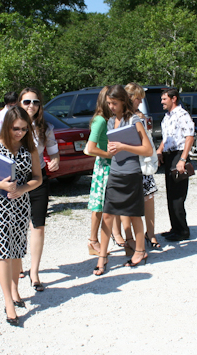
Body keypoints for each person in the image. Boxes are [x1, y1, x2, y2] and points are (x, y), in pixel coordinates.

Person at [0, 106, 42, 326]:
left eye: (24, 129)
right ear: (6, 126)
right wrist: (1, 184)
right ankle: (9, 302)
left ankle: (14, 290)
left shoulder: (29, 149)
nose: (20, 133)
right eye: (16, 128)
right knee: (3, 252)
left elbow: (37, 179)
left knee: (16, 251)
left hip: (21, 205)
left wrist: (22, 189)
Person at [94, 84, 154, 276]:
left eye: (114, 103)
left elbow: (148, 150)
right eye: (109, 103)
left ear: (122, 102)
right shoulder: (111, 121)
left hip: (132, 173)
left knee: (135, 214)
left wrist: (123, 146)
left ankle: (140, 251)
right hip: (115, 173)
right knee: (108, 215)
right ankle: (102, 257)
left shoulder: (134, 120)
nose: (110, 106)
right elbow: (115, 147)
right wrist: (113, 150)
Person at [18, 87, 60, 291]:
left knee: (38, 225)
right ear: (19, 104)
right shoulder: (10, 125)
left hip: (39, 178)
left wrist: (55, 161)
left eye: (35, 102)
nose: (31, 106)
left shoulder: (46, 127)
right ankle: (17, 265)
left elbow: (53, 153)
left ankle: (34, 272)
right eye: (27, 102)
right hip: (15, 180)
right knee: (16, 225)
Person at [125, 82, 161, 249]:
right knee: (128, 204)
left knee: (149, 199)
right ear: (130, 98)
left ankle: (151, 234)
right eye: (138, 99)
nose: (140, 102)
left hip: (144, 164)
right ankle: (130, 238)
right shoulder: (121, 118)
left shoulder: (141, 116)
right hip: (129, 164)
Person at [156, 88, 194, 241]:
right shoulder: (167, 117)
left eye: (164, 99)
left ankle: (183, 231)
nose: (161, 102)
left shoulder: (182, 115)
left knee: (178, 196)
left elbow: (189, 137)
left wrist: (183, 160)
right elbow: (166, 138)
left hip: (179, 155)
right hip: (169, 155)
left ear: (174, 99)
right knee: (170, 195)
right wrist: (159, 151)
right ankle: (175, 228)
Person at [85, 86, 116, 255]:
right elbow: (90, 148)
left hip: (108, 165)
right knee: (98, 205)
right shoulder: (100, 120)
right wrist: (108, 155)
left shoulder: (109, 119)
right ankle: (93, 241)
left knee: (103, 206)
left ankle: (101, 240)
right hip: (104, 166)